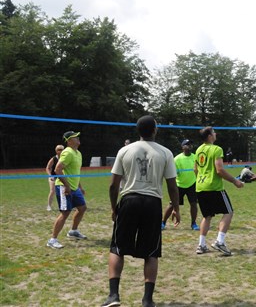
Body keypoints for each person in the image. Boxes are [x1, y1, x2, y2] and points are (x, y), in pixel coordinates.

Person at [102, 115, 180, 307]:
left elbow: (113, 185)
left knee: (117, 248)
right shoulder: (165, 153)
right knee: (151, 252)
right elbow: (172, 186)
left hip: (129, 200)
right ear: (155, 130)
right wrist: (176, 208)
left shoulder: (125, 150)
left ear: (138, 131)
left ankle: (113, 295)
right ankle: (147, 299)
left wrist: (114, 208)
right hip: (152, 203)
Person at [194, 127, 244, 256]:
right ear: (210, 136)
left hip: (200, 186)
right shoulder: (216, 149)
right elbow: (219, 170)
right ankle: (220, 241)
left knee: (207, 216)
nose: (215, 134)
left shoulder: (199, 150)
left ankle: (201, 245)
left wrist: (201, 179)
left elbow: (195, 169)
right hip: (214, 187)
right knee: (228, 212)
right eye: (214, 132)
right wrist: (235, 181)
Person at [46, 132, 87, 249]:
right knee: (65, 212)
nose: (78, 138)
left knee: (82, 208)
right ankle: (52, 239)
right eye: (75, 137)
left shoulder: (78, 153)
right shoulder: (68, 152)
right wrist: (67, 186)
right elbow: (58, 170)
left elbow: (74, 173)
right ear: (69, 141)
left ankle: (73, 231)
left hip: (74, 187)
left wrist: (80, 187)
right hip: (64, 187)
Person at [162, 139, 200, 231]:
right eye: (187, 144)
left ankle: (193, 223)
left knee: (194, 204)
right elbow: (173, 175)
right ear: (182, 147)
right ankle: (163, 222)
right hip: (179, 185)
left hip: (192, 184)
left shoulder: (195, 157)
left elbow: (198, 170)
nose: (189, 146)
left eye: (190, 144)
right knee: (172, 204)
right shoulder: (177, 159)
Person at [45, 145, 64, 211]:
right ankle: (49, 206)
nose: (61, 151)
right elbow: (48, 167)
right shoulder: (54, 158)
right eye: (59, 150)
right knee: (52, 191)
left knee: (65, 190)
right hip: (54, 176)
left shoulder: (64, 158)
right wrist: (50, 176)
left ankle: (65, 205)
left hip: (61, 176)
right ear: (56, 151)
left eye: (62, 149)